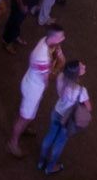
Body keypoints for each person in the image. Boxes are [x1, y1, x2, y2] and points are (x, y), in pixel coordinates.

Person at [10, 28, 66, 157]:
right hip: (33, 89)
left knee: (29, 114)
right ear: (53, 38)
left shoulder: (45, 41)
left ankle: (26, 127)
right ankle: (12, 143)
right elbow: (47, 78)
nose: (63, 39)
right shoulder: (42, 57)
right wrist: (58, 68)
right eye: (61, 37)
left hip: (32, 82)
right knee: (24, 118)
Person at [37, 60, 90, 175]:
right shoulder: (81, 91)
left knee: (50, 135)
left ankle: (41, 162)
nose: (84, 66)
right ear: (76, 74)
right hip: (68, 119)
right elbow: (89, 108)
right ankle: (50, 167)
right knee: (60, 142)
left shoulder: (61, 76)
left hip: (57, 112)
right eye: (81, 67)